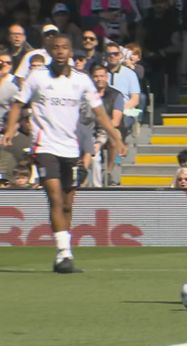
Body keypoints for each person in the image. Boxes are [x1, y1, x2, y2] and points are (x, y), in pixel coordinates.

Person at [1, 34, 125, 273]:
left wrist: (115, 135)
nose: (60, 51)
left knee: (68, 204)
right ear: (51, 50)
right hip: (44, 146)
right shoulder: (37, 77)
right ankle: (63, 253)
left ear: (70, 52)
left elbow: (99, 112)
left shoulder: (81, 81)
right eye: (56, 47)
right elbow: (18, 104)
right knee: (55, 198)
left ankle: (63, 256)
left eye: (64, 47)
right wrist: (10, 129)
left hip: (71, 148)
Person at [90, 63, 125, 186]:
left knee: (115, 137)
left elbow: (116, 121)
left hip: (108, 129)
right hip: (90, 130)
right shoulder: (87, 95)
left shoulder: (116, 95)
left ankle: (109, 172)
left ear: (107, 77)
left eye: (102, 76)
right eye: (96, 76)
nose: (99, 79)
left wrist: (102, 127)